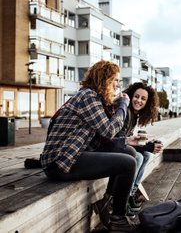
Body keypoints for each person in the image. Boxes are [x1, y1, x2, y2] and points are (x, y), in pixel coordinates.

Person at [40, 60, 137, 232]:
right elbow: (109, 130)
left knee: (128, 151)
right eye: (115, 80)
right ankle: (118, 219)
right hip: (61, 161)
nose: (117, 85)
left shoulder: (93, 98)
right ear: (104, 79)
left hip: (75, 154)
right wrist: (123, 105)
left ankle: (106, 201)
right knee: (128, 164)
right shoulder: (88, 96)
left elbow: (102, 137)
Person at [122, 82, 163, 215]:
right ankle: (125, 198)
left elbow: (128, 141)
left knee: (147, 155)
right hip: (113, 146)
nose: (138, 100)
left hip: (121, 145)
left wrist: (148, 144)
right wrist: (149, 146)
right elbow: (121, 142)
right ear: (130, 95)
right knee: (138, 156)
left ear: (147, 103)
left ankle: (132, 193)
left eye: (143, 99)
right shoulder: (125, 112)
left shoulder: (134, 115)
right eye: (136, 96)